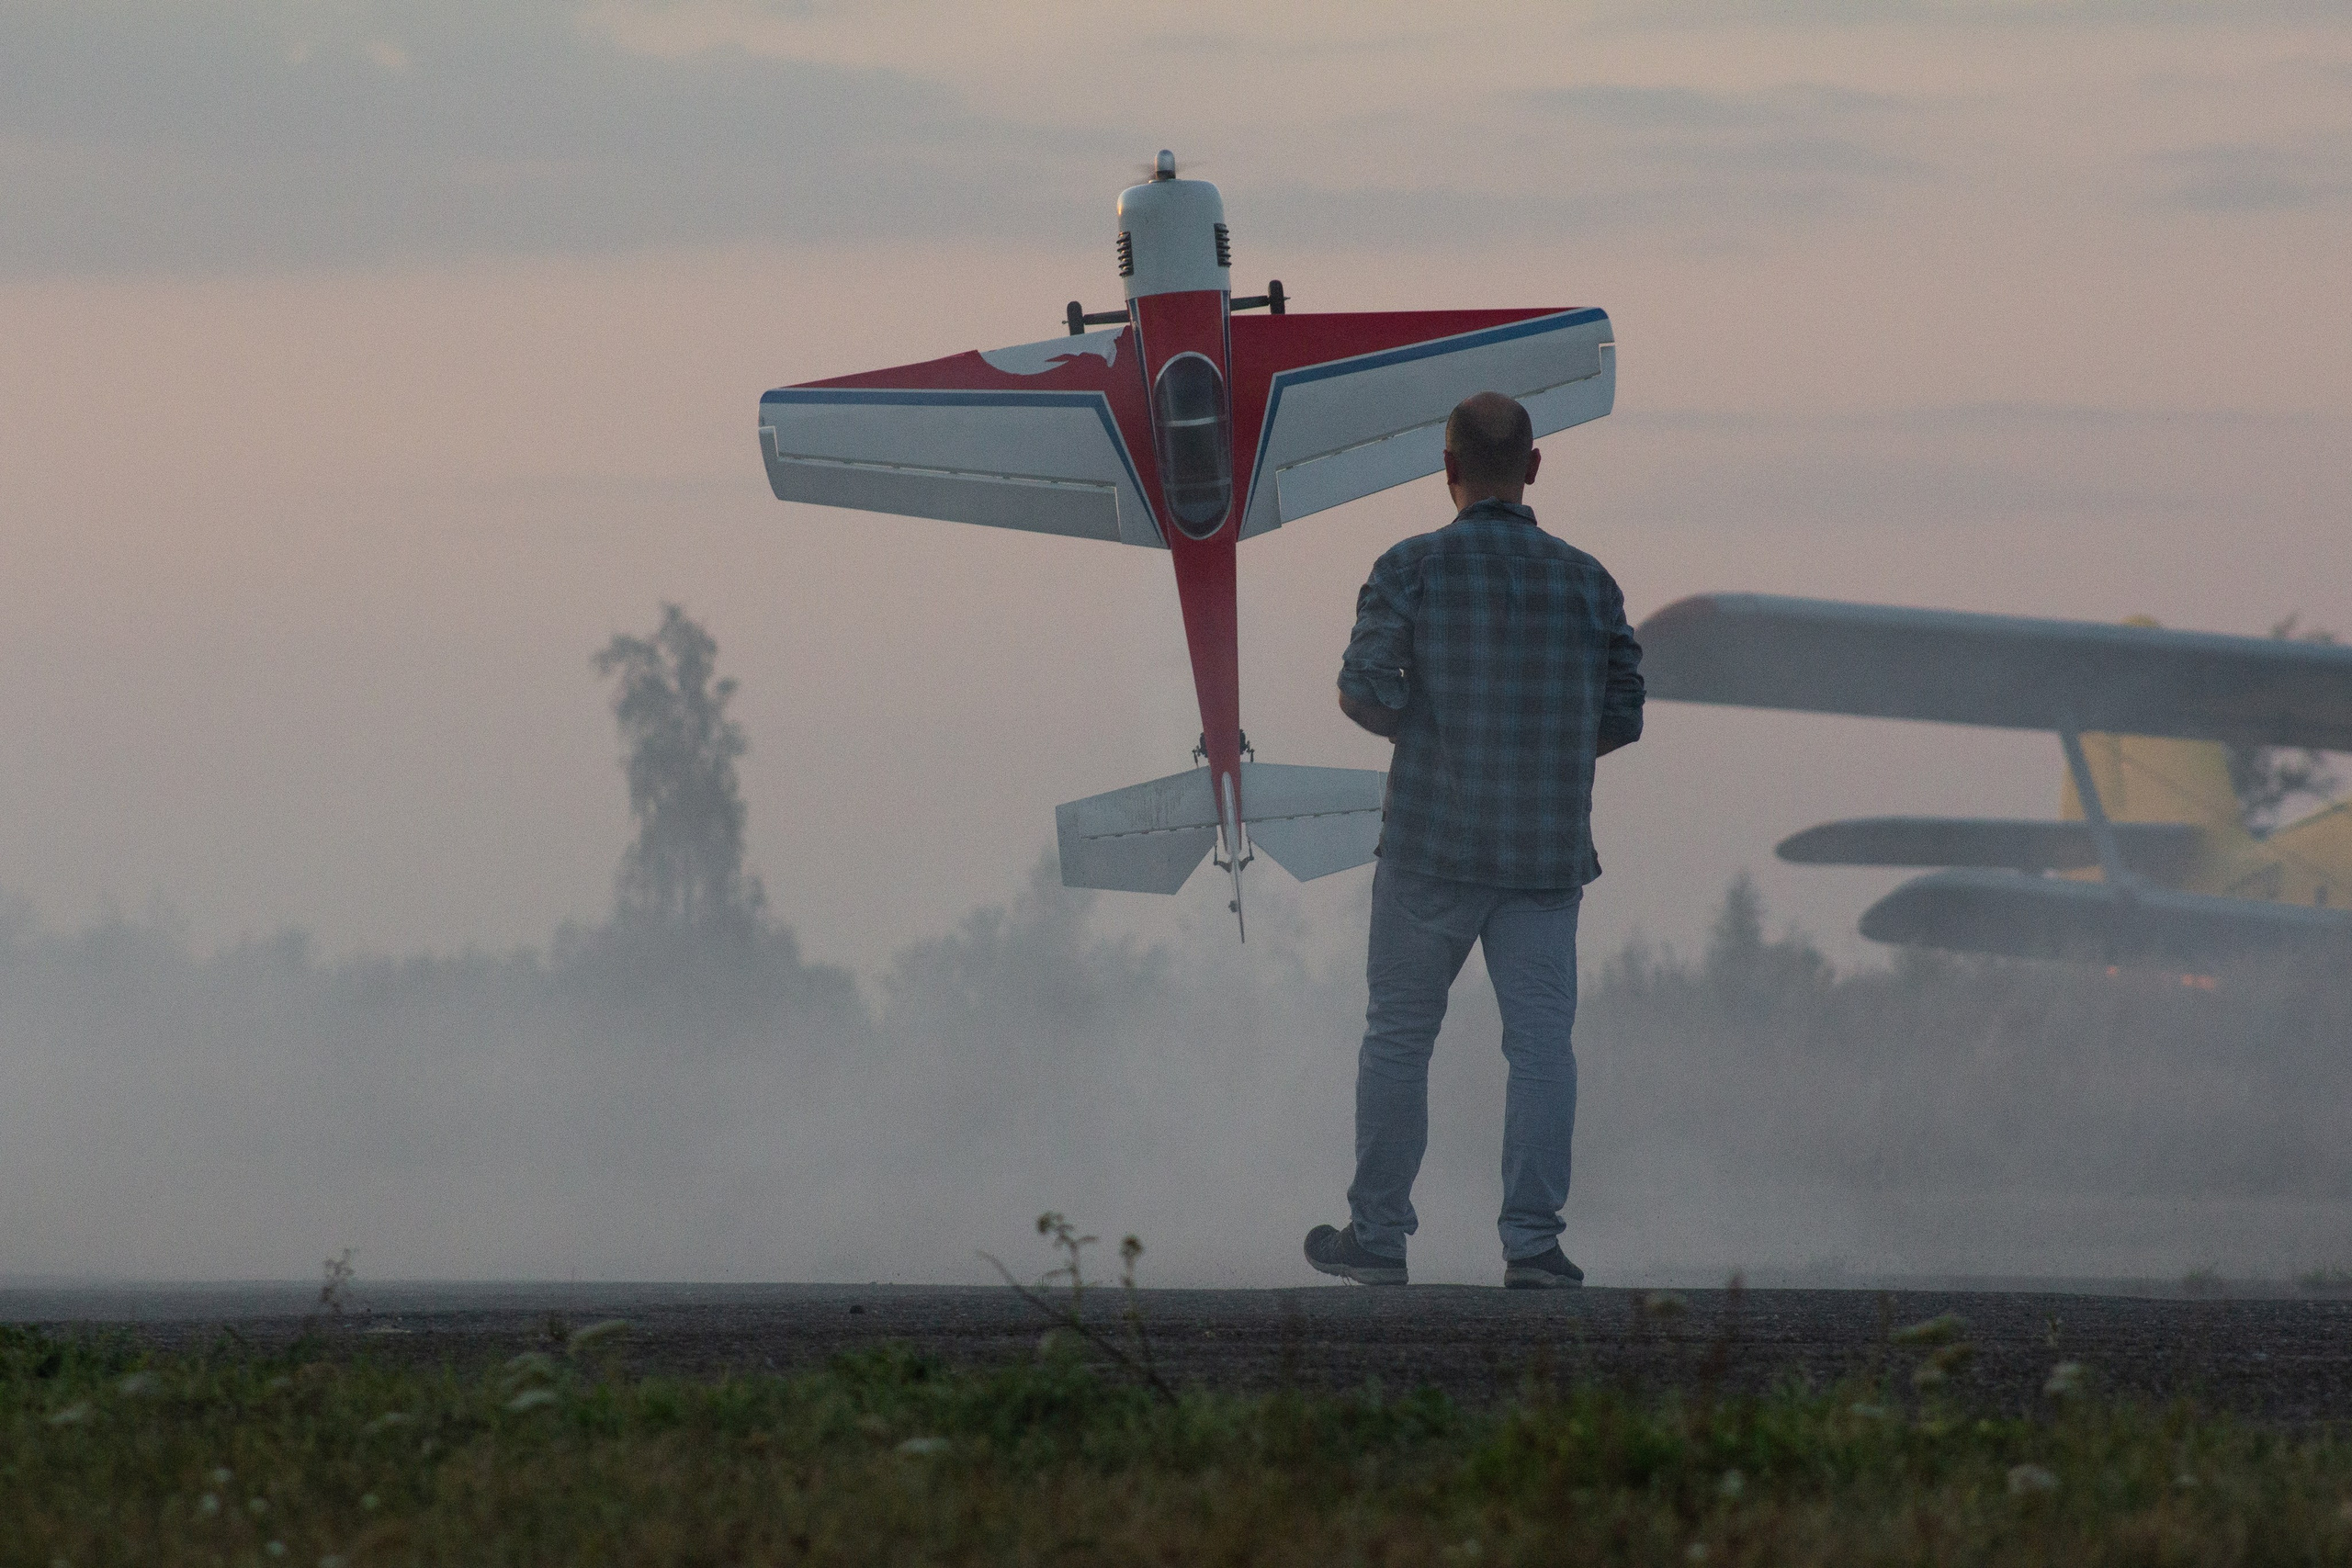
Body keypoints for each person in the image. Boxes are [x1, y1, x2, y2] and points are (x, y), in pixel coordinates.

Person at [1304, 391, 1645, 1290]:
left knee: (1400, 1038)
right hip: (1543, 855)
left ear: (1446, 469)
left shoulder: (1408, 568)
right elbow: (1623, 714)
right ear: (1533, 468)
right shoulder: (1590, 582)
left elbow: (1362, 688)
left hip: (1428, 844)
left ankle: (1378, 1237)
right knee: (1539, 1047)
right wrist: (1547, 749)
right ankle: (1532, 1245)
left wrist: (1440, 736)